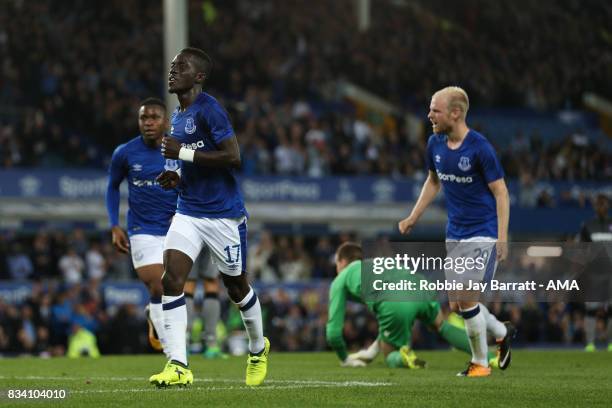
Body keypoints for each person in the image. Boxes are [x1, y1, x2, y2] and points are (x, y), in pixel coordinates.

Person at [150, 47, 268, 388]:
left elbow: (234, 157)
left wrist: (183, 152)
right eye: (172, 66)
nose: (173, 71)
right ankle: (178, 366)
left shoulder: (210, 109)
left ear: (198, 77)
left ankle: (258, 349)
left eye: (181, 66)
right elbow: (185, 162)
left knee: (235, 287)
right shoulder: (177, 115)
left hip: (223, 215)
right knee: (171, 279)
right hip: (187, 210)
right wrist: (176, 175)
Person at [398, 86, 515, 377]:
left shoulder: (480, 148)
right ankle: (502, 332)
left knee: (467, 298)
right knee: (456, 303)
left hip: (483, 232)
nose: (429, 115)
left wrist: (501, 237)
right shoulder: (434, 144)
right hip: (455, 233)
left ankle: (480, 363)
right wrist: (414, 216)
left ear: (455, 113)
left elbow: (501, 193)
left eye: (435, 110)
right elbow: (433, 181)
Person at [326, 242, 498, 369]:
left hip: (395, 300)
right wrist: (371, 351)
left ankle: (402, 357)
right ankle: (488, 356)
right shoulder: (374, 265)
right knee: (441, 325)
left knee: (389, 353)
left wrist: (344, 359)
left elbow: (333, 333)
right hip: (421, 286)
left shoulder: (341, 278)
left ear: (340, 261)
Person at [106, 98, 178, 358]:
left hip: (175, 228)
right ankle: (173, 356)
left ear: (165, 121)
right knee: (160, 286)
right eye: (143, 118)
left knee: (172, 289)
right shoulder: (125, 153)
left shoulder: (178, 150)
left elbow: (192, 185)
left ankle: (154, 313)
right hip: (141, 228)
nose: (148, 123)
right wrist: (114, 225)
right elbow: (112, 187)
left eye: (154, 117)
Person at [579, 193, 612, 352]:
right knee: (591, 309)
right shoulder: (588, 226)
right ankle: (590, 344)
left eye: (604, 204)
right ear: (595, 206)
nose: (601, 207)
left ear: (608, 206)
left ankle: (611, 343)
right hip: (594, 274)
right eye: (599, 204)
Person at [184, 247, 226, 358]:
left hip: (190, 233)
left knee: (189, 283)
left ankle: (185, 343)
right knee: (209, 282)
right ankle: (211, 343)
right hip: (211, 232)